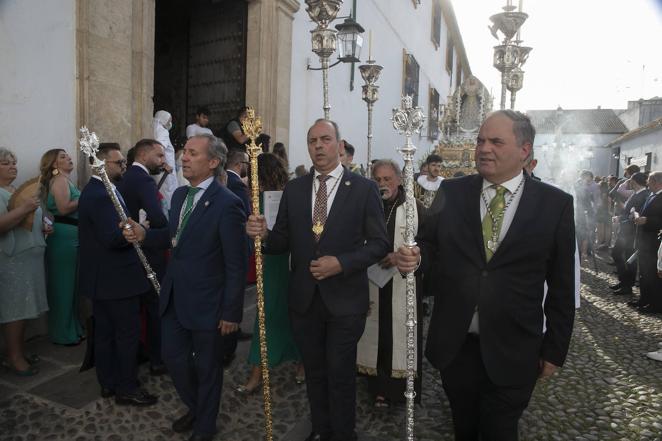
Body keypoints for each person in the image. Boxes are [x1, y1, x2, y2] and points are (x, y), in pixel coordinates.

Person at [397, 110, 576, 441]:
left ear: (524, 150)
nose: (483, 148)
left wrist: (554, 349)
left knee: (498, 430)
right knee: (463, 426)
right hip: (457, 344)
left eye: (496, 141)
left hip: (514, 347)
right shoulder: (452, 191)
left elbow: (563, 285)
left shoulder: (555, 205)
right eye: (481, 140)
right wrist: (415, 257)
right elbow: (429, 244)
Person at [246, 119, 389, 441]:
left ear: (339, 145)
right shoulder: (294, 190)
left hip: (345, 300)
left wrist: (342, 262)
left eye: (325, 139)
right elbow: (281, 241)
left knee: (339, 373)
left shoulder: (363, 189)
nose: (319, 146)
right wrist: (263, 234)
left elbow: (380, 244)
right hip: (305, 300)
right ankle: (321, 430)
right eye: (312, 141)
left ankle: (343, 433)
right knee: (315, 372)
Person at [124, 134, 248, 441]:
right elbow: (174, 237)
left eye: (192, 153)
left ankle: (205, 425)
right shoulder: (180, 196)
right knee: (174, 359)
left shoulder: (228, 204)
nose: (184, 158)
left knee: (207, 368)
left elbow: (236, 264)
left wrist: (232, 312)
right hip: (174, 297)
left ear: (214, 162)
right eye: (184, 153)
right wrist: (143, 234)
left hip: (209, 304)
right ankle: (199, 407)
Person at [78, 143, 158, 406]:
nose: (123, 166)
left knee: (106, 334)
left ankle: (109, 383)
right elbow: (113, 238)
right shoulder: (100, 195)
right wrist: (141, 227)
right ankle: (126, 387)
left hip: (106, 279)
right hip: (116, 280)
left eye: (123, 162)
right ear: (100, 165)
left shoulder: (102, 190)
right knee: (124, 334)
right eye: (118, 163)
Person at [356, 159, 425, 407]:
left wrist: (401, 255)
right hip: (373, 282)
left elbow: (429, 244)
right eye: (378, 179)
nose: (383, 184)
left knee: (397, 335)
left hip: (402, 284)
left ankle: (400, 390)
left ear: (398, 180)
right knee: (376, 335)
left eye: (387, 179)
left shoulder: (415, 208)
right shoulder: (366, 206)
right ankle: (378, 389)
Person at [237, 153, 303, 394]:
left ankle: (260, 373)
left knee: (271, 316)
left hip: (281, 262)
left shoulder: (284, 198)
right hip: (272, 261)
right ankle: (298, 364)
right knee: (278, 314)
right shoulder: (260, 198)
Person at [116, 139, 169, 376]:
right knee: (156, 306)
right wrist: (169, 233)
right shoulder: (144, 179)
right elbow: (157, 217)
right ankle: (157, 358)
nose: (162, 161)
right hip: (149, 252)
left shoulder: (126, 177)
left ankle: (141, 351)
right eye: (159, 156)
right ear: (144, 154)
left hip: (130, 252)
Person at [0, 148, 49, 376]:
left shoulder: (15, 191)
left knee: (25, 307)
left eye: (14, 162)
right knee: (14, 310)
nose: (13, 166)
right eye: (5, 163)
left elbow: (29, 222)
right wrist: (24, 208)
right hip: (12, 260)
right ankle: (14, 357)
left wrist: (44, 225)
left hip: (30, 258)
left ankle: (18, 350)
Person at [40, 148, 84, 346]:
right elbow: (64, 208)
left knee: (72, 286)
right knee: (63, 286)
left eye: (68, 155)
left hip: (70, 236)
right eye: (63, 157)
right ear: (54, 164)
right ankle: (62, 333)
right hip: (63, 238)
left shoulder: (65, 180)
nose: (69, 158)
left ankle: (72, 327)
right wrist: (84, 197)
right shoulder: (59, 181)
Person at [610, 173, 649, 296]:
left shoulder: (643, 195)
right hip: (625, 231)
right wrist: (620, 217)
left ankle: (627, 285)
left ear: (635, 182)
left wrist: (621, 218)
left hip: (632, 233)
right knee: (617, 254)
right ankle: (624, 281)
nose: (628, 183)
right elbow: (628, 211)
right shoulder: (636, 193)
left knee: (628, 259)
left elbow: (635, 215)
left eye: (630, 181)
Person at [632, 171, 662, 313]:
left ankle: (654, 304)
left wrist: (647, 220)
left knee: (652, 274)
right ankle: (644, 299)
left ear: (657, 182)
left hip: (654, 243)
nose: (647, 183)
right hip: (644, 241)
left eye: (649, 181)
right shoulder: (652, 195)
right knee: (644, 272)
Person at [153, 110, 179, 211]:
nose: (170, 124)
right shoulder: (163, 131)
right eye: (169, 121)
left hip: (158, 170)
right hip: (165, 172)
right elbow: (159, 147)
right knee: (168, 197)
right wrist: (164, 164)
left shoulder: (154, 128)